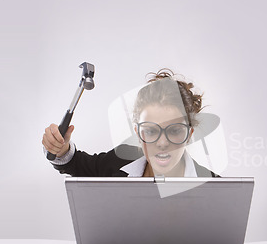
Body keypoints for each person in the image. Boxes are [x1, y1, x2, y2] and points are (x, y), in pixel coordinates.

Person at [42, 69, 218, 177]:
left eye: (174, 131)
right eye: (150, 131)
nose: (162, 143)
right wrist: (61, 149)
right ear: (138, 133)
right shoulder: (121, 160)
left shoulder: (215, 188)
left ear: (189, 134)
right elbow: (80, 165)